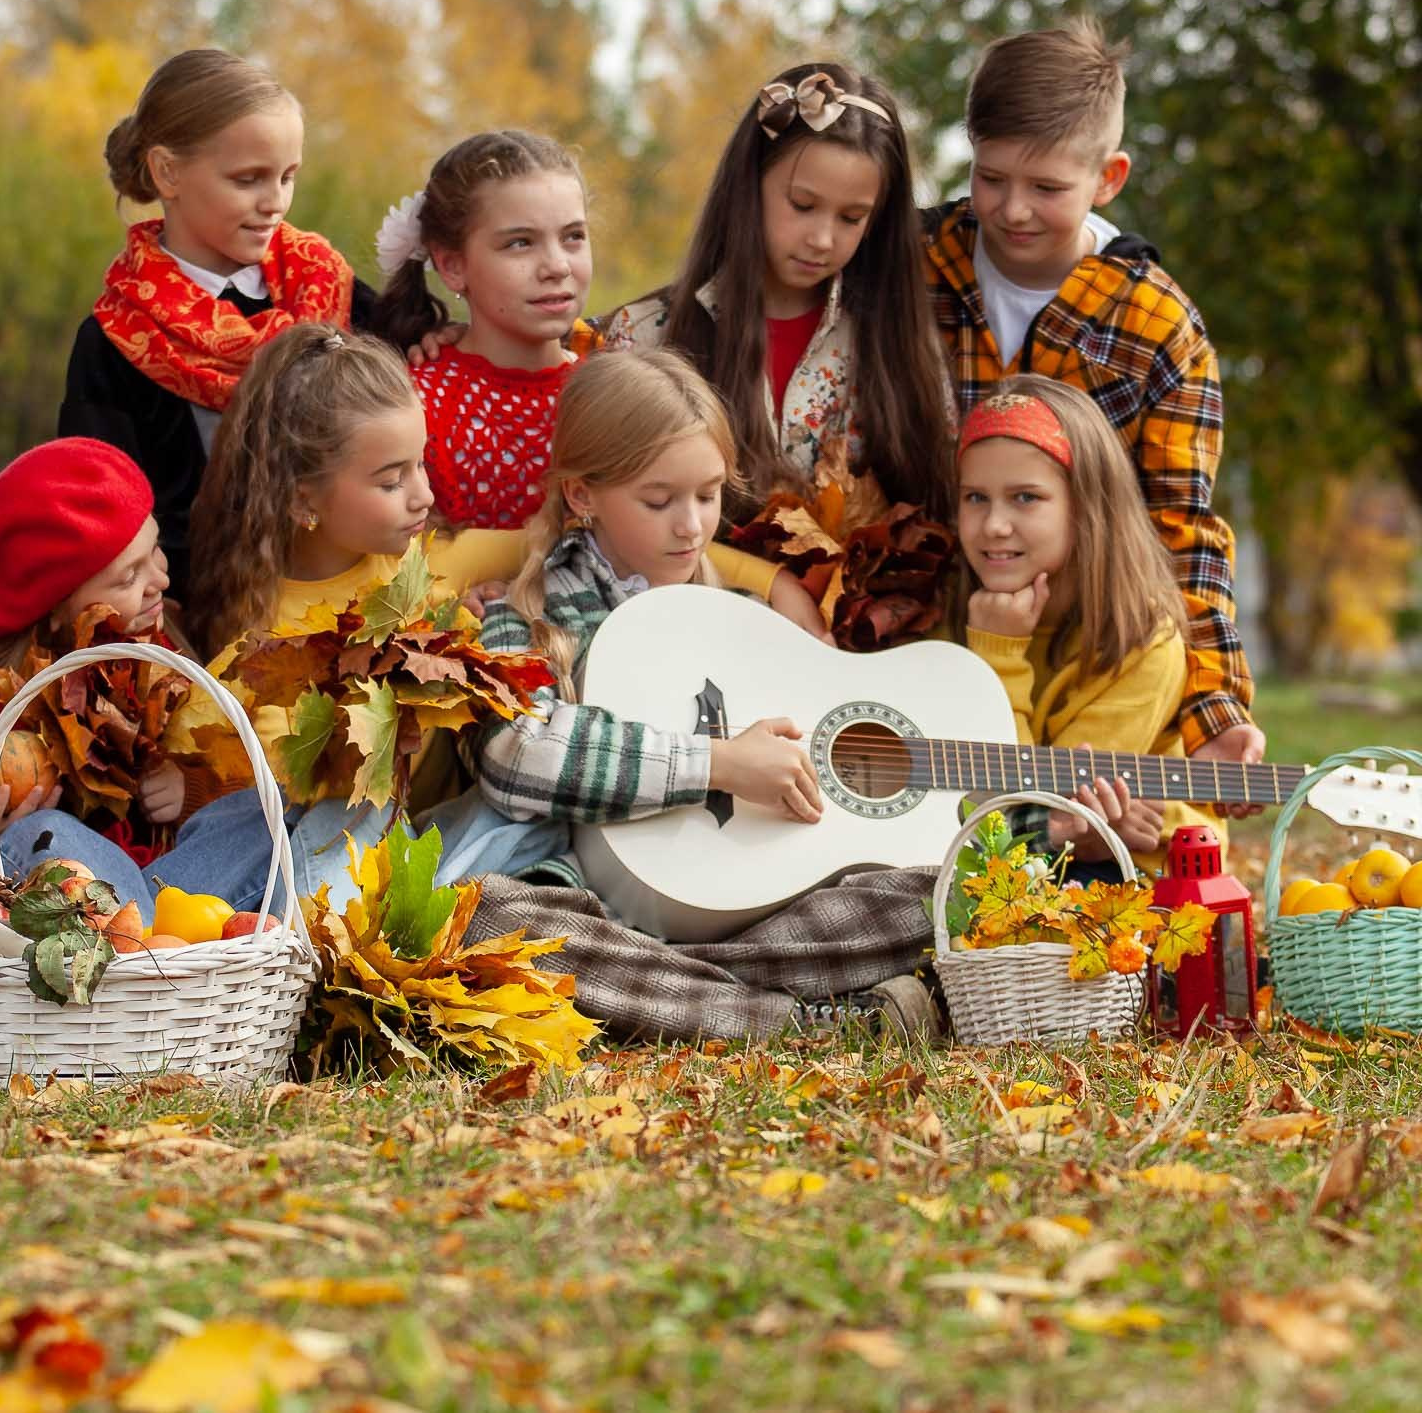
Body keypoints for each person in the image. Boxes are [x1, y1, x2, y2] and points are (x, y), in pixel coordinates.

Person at [160, 325, 811, 909]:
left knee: (530, 825)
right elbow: (215, 765)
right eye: (392, 480)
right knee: (328, 817)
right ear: (304, 499)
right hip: (339, 838)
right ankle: (308, 940)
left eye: (421, 464)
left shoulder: (429, 565)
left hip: (455, 841)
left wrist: (777, 582)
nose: (424, 494)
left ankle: (343, 933)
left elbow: (564, 538)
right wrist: (181, 782)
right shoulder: (265, 629)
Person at [460, 351, 941, 1042]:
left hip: (752, 911)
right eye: (659, 501)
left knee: (931, 888)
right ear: (582, 495)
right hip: (600, 912)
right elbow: (514, 752)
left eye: (709, 495)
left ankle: (684, 990)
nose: (691, 525)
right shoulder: (526, 618)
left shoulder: (747, 619)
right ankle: (807, 1021)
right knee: (494, 921)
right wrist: (717, 764)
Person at [920, 18, 1263, 809]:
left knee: (1085, 828)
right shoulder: (913, 266)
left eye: (1047, 188)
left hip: (1089, 659)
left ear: (1108, 178)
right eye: (990, 177)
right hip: (927, 629)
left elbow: (1183, 523)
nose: (1012, 209)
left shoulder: (1158, 327)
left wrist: (1213, 706)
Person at [57, 48, 376, 608]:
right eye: (248, 179)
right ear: (168, 172)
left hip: (351, 600)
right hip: (193, 614)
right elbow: (100, 512)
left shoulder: (331, 289)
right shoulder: (116, 339)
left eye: (288, 177)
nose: (275, 202)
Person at [0, 438, 233, 907]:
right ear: (54, 607)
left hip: (179, 891)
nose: (162, 580)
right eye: (129, 577)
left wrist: (188, 790)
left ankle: (157, 934)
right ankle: (144, 942)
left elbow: (229, 781)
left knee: (266, 814)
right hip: (57, 908)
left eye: (155, 549)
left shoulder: (161, 648)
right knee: (46, 833)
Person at [602, 62, 955, 521]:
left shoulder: (904, 345)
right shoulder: (645, 337)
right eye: (802, 205)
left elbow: (938, 517)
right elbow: (602, 518)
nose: (822, 239)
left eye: (851, 218)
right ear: (749, 187)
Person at [957, 376, 1223, 878]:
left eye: (1025, 497)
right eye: (975, 497)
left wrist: (999, 651)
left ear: (1086, 507)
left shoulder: (1141, 639)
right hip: (1024, 857)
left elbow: (1031, 804)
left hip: (1131, 875)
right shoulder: (953, 613)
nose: (993, 524)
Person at [377, 130, 590, 532]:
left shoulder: (616, 388)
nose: (558, 265)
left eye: (573, 237)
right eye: (520, 243)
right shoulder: (413, 407)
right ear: (452, 266)